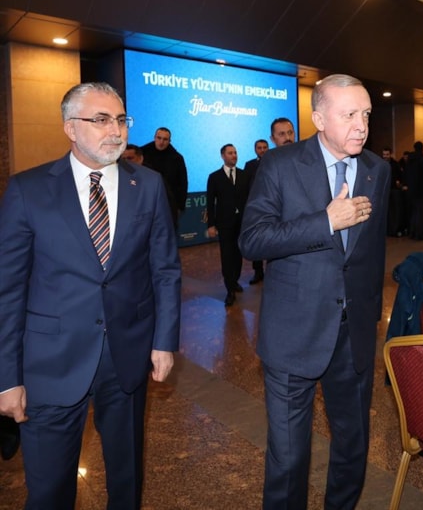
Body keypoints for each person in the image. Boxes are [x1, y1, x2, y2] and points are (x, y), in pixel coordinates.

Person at [0, 82, 181, 509]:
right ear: (70, 128)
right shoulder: (28, 189)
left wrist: (164, 341)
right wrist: (7, 378)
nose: (115, 130)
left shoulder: (148, 185)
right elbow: (8, 289)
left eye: (120, 119)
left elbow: (165, 269)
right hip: (50, 364)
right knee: (48, 492)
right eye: (100, 120)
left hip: (127, 357)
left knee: (127, 480)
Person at [238, 74, 389, 509]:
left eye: (366, 115)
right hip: (293, 333)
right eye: (349, 115)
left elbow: (370, 253)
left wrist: (370, 316)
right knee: (288, 459)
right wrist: (325, 222)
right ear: (319, 119)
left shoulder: (377, 169)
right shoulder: (279, 164)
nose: (361, 126)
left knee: (352, 447)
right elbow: (253, 240)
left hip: (353, 334)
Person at [206, 144, 250, 306]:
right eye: (230, 153)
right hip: (224, 224)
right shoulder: (214, 177)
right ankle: (229, 289)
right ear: (223, 156)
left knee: (238, 255)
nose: (234, 155)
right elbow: (210, 203)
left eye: (235, 152)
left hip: (242, 223)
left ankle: (235, 281)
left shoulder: (244, 175)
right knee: (227, 256)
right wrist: (211, 225)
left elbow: (249, 198)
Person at [141, 127, 188, 228]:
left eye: (165, 139)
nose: (161, 142)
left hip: (168, 203)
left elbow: (183, 183)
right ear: (154, 138)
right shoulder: (141, 153)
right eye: (159, 138)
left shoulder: (177, 158)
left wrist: (180, 206)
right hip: (144, 203)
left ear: (169, 141)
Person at [244, 138, 270, 284]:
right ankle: (258, 272)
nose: (262, 150)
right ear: (255, 150)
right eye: (259, 148)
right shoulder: (249, 165)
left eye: (264, 147)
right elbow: (245, 186)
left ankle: (272, 271)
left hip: (273, 206)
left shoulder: (275, 161)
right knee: (257, 239)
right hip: (256, 207)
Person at [404, 140, 423, 240]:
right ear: (422, 148)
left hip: (410, 190)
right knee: (420, 212)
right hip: (421, 190)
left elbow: (405, 174)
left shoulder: (409, 160)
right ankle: (419, 234)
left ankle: (412, 232)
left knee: (413, 212)